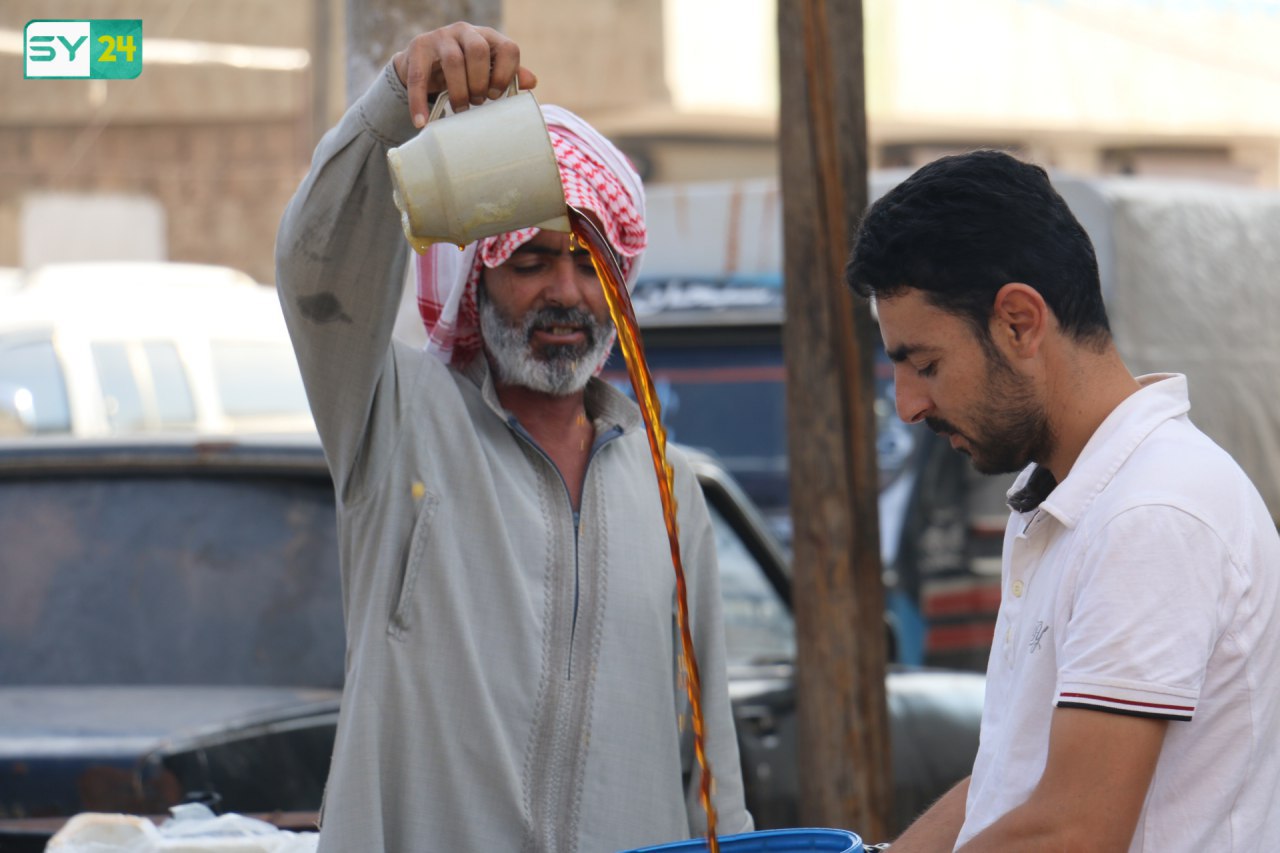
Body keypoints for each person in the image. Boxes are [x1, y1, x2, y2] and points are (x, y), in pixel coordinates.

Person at [274, 22, 751, 853]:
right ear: (474, 277)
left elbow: (708, 765)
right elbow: (321, 271)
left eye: (587, 262)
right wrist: (394, 104)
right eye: (529, 262)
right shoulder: (398, 427)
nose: (566, 292)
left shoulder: (665, 484)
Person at [845, 150, 1280, 851]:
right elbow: (1009, 787)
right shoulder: (1076, 499)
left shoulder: (1152, 512)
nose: (907, 405)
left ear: (1020, 322)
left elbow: (1074, 830)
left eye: (926, 365)